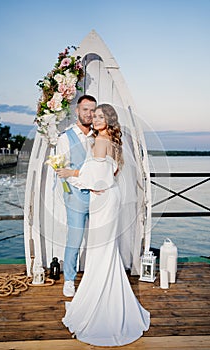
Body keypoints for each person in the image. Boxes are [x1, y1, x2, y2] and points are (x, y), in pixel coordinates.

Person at [56, 104, 150, 347]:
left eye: (100, 116)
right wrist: (96, 180)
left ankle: (100, 304)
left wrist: (70, 174)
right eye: (93, 115)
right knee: (106, 249)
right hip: (110, 196)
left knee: (101, 250)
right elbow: (114, 170)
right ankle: (110, 297)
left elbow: (95, 176)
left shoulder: (100, 140)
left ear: (108, 120)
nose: (95, 119)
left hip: (103, 198)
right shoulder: (111, 139)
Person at [56, 94, 97, 297]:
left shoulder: (99, 136)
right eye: (85, 109)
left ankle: (96, 277)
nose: (89, 114)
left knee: (100, 238)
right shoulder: (66, 138)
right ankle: (69, 280)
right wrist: (86, 183)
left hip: (99, 197)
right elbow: (63, 171)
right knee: (75, 239)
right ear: (77, 111)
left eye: (92, 110)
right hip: (76, 196)